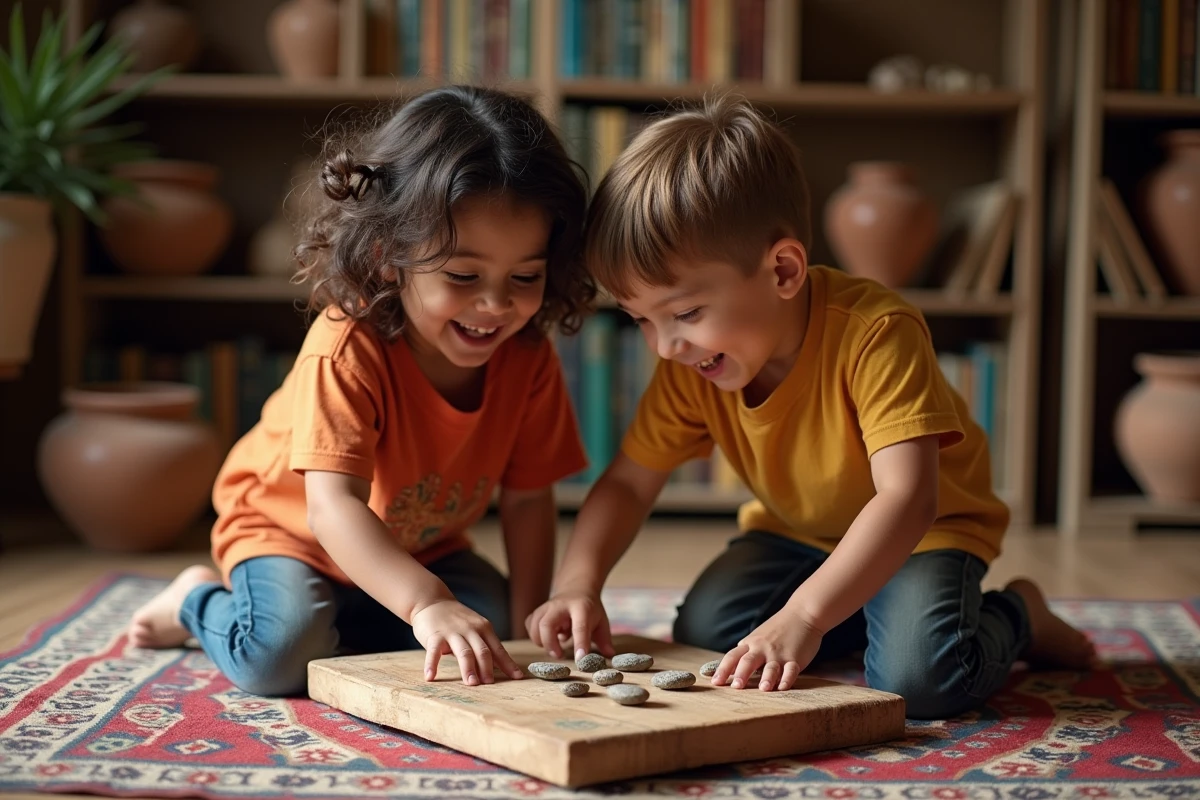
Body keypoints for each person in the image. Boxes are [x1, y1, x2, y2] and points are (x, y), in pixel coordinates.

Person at [525, 94, 1095, 720]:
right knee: (708, 635)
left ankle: (1017, 614)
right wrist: (577, 584)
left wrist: (804, 615)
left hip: (923, 535)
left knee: (922, 680)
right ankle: (863, 609)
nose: (664, 346)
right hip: (794, 535)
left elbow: (908, 499)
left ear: (783, 270)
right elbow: (629, 485)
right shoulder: (690, 364)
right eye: (641, 319)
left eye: (685, 313)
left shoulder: (876, 332)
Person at [128, 85, 594, 697]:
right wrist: (426, 603)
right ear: (386, 256)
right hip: (290, 535)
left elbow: (528, 501)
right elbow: (333, 509)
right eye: (463, 275)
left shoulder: (528, 356)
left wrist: (528, 623)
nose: (496, 304)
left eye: (525, 276)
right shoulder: (346, 346)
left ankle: (346, 615)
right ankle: (197, 600)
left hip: (418, 547)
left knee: (492, 629)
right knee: (277, 660)